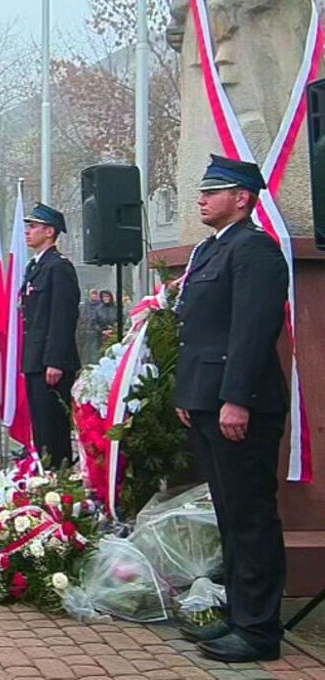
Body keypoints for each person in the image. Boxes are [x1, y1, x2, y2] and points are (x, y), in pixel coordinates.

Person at [174, 155, 289, 663]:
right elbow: (196, 332)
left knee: (250, 518)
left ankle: (260, 630)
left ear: (242, 198)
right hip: (208, 400)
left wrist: (235, 398)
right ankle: (240, 616)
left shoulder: (254, 249)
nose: (202, 198)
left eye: (212, 190)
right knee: (229, 515)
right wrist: (189, 396)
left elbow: (250, 332)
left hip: (240, 403)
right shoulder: (212, 250)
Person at [21, 203, 81, 469]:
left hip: (50, 361)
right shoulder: (36, 267)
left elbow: (62, 318)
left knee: (53, 428)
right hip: (35, 358)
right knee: (41, 428)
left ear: (49, 231)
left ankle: (60, 478)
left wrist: (55, 360)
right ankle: (46, 476)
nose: (28, 232)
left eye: (33, 227)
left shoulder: (59, 267)